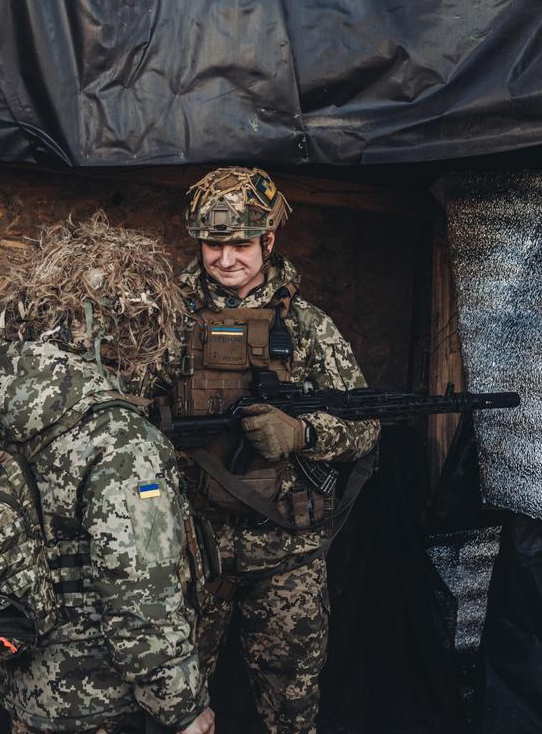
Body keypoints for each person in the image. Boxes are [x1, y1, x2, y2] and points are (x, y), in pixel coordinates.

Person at [0, 215, 215, 734]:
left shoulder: (15, 417)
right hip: (100, 704)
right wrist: (184, 708)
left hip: (28, 695)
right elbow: (140, 598)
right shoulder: (123, 443)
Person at [162, 167, 380, 734]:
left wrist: (301, 434)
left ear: (269, 241)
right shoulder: (163, 321)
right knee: (175, 712)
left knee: (291, 713)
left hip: (286, 553)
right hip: (188, 550)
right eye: (214, 244)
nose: (226, 258)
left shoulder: (307, 328)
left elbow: (366, 427)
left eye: (241, 244)